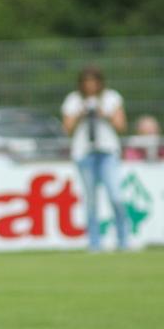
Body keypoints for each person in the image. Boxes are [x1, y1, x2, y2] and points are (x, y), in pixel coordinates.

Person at [62, 65, 129, 251]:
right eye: (86, 82)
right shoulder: (74, 100)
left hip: (107, 152)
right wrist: (80, 113)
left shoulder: (111, 98)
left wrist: (103, 113)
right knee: (91, 200)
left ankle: (123, 240)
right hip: (84, 152)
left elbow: (121, 125)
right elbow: (66, 128)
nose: (90, 85)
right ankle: (94, 242)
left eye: (93, 81)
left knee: (115, 195)